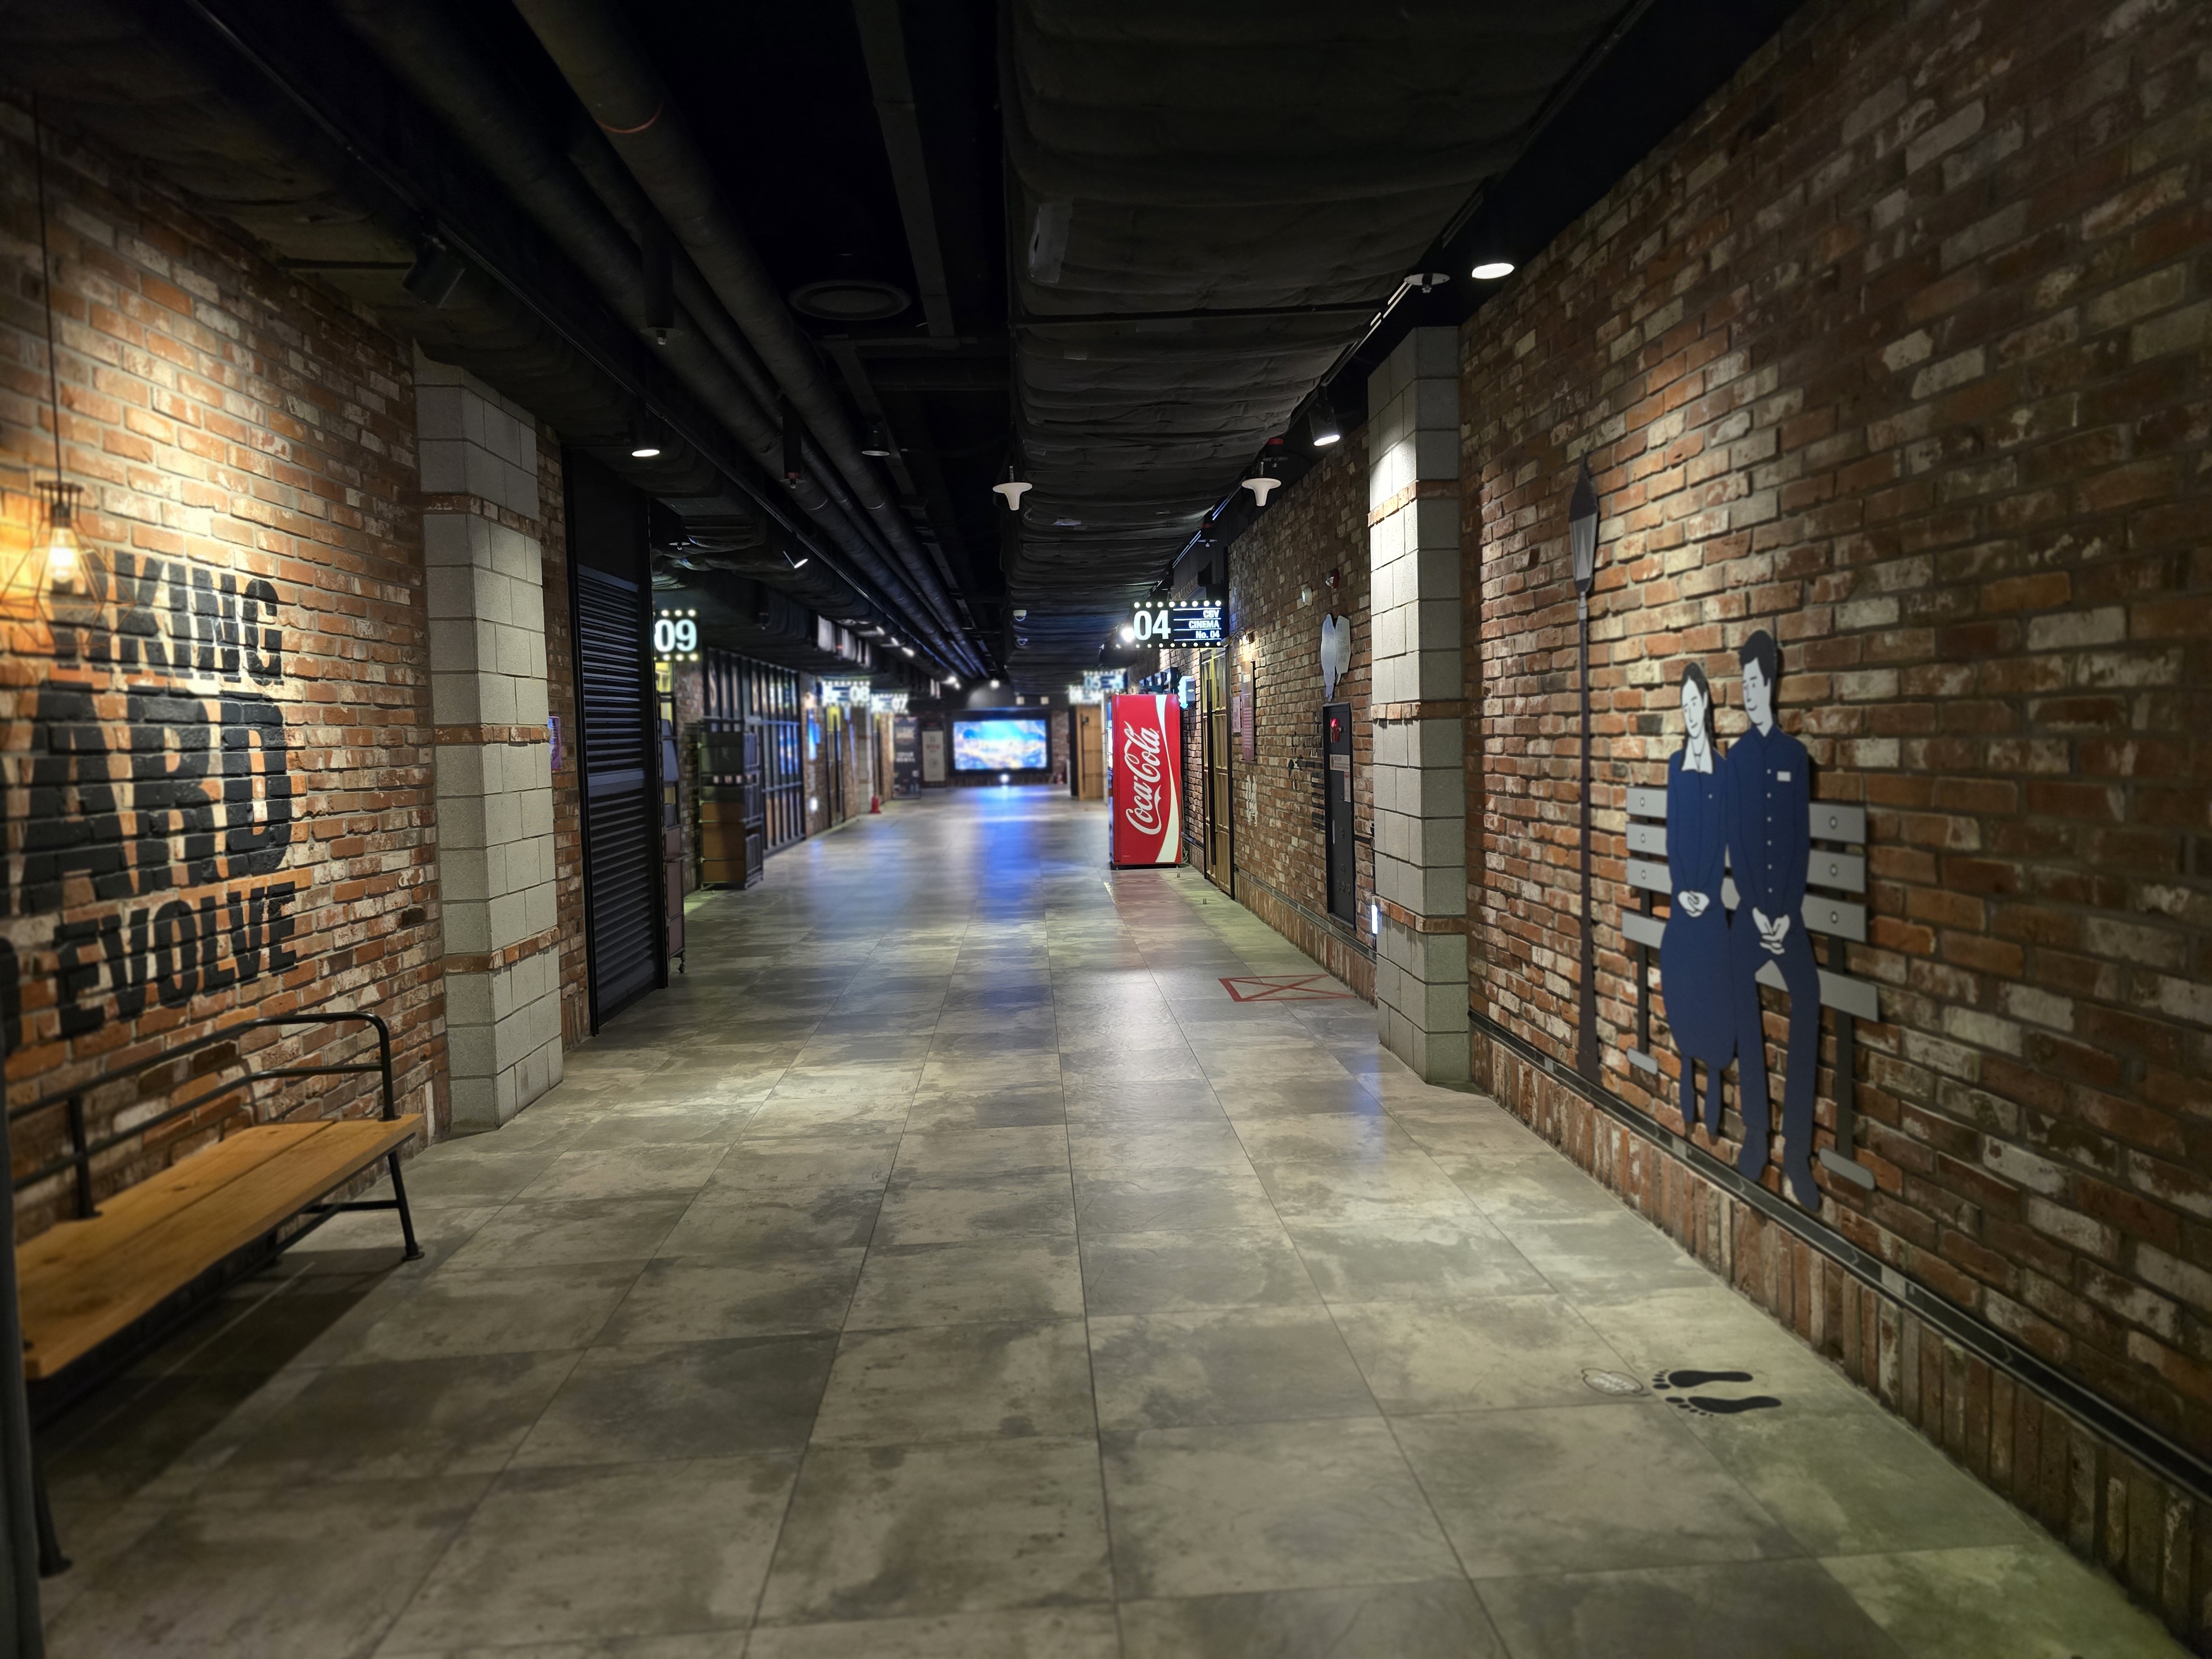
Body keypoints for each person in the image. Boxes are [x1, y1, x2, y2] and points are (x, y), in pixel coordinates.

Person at [1721, 630, 1822, 1209]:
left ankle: (1798, 1152)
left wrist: (1782, 915)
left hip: (1787, 916)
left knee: (1808, 996)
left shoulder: (1792, 758)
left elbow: (1799, 844)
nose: (1750, 693)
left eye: (1756, 683)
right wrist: (1757, 910)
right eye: (1744, 684)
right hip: (1752, 912)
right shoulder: (1736, 760)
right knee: (1737, 980)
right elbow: (1737, 842)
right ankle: (1756, 1132)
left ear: (1773, 684)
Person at [1661, 662, 1733, 1139]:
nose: (1689, 712)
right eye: (1683, 705)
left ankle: (1715, 1076)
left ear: (1705, 704)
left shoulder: (1722, 772)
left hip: (1712, 904)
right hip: (1682, 900)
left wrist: (1704, 893)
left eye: (1694, 703)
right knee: (1676, 957)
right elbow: (1674, 839)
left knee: (1715, 967)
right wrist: (1683, 890)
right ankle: (1687, 1064)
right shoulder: (1677, 766)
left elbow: (1722, 839)